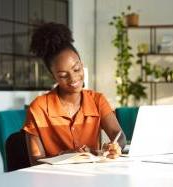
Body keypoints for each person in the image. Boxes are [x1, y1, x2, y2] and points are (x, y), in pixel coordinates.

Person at [22, 22, 126, 165]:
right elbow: (35, 161)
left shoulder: (97, 100)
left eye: (77, 69)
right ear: (53, 76)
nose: (73, 79)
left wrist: (116, 146)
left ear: (82, 65)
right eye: (63, 75)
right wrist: (64, 155)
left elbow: (119, 135)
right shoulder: (38, 108)